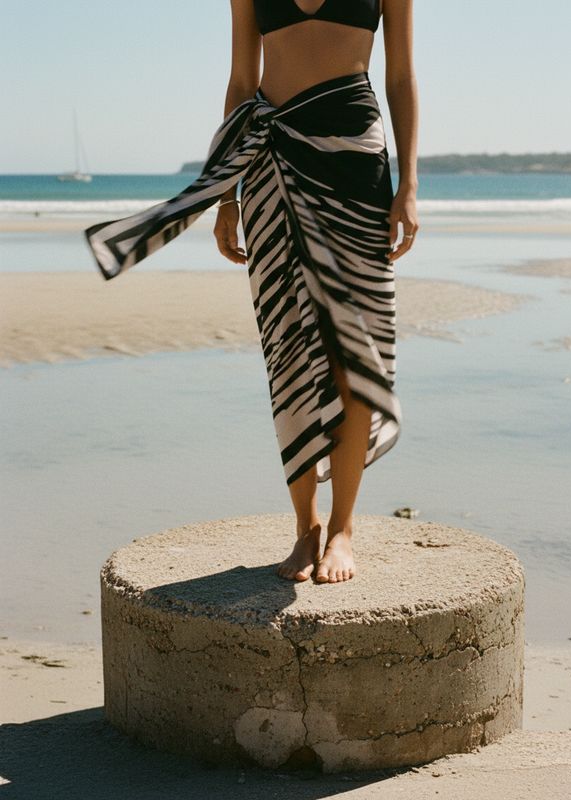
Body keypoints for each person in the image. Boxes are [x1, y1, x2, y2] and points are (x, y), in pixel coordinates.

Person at [83, 0, 419, 585]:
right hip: (268, 160)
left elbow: (400, 76)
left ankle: (342, 528)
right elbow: (242, 80)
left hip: (354, 157)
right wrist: (228, 195)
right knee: (286, 338)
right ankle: (305, 527)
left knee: (353, 340)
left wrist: (410, 183)